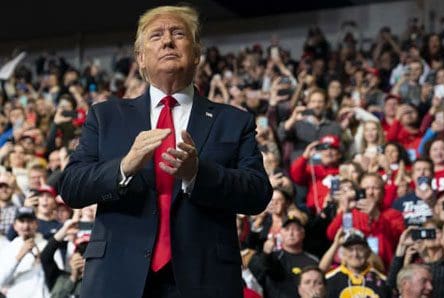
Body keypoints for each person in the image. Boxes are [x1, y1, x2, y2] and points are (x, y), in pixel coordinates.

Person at [59, 5, 272, 298]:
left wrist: (198, 174)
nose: (168, 41)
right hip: (118, 279)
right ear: (141, 58)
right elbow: (71, 187)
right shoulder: (105, 117)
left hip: (205, 280)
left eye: (178, 33)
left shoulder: (233, 121)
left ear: (196, 53)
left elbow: (258, 193)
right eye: (156, 35)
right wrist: (124, 166)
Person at [248, 217, 319, 298]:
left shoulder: (312, 260)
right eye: (287, 229)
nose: (291, 233)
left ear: (302, 233)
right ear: (281, 233)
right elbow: (265, 267)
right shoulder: (274, 256)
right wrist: (266, 253)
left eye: (295, 229)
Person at [0, 207, 50, 298]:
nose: (26, 226)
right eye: (22, 221)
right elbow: (1, 281)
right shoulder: (8, 248)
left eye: (30, 221)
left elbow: (58, 276)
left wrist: (41, 261)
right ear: (14, 225)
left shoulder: (47, 245)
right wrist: (19, 256)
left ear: (36, 224)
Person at [325, 229, 391, 298]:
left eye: (360, 249)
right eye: (350, 249)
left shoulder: (382, 281)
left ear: (368, 252)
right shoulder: (329, 280)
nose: (355, 254)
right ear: (343, 253)